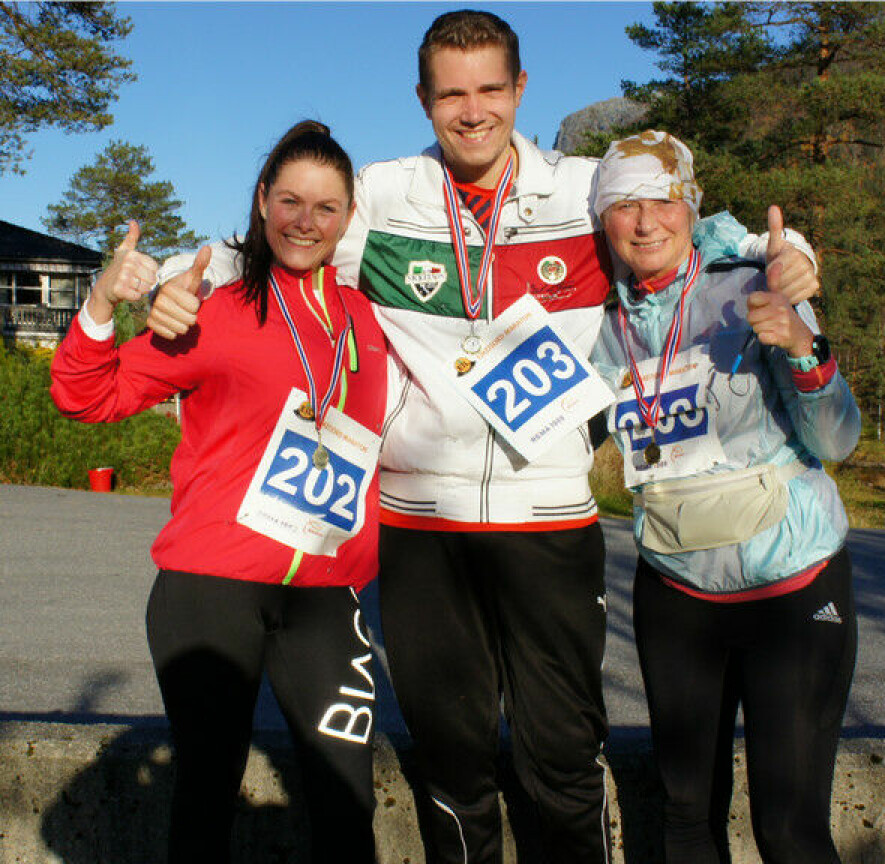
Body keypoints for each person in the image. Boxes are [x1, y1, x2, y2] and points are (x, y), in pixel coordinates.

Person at [144, 12, 820, 863]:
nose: (472, 112)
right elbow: (264, 245)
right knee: (453, 768)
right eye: (451, 93)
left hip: (551, 524)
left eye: (490, 90)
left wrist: (784, 249)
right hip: (424, 529)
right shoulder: (384, 195)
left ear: (520, 91)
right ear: (424, 100)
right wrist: (166, 283)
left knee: (564, 763)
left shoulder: (582, 188)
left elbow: (692, 228)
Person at [50, 121, 387, 864]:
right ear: (263, 201)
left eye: (327, 208)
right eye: (290, 201)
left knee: (345, 799)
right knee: (206, 794)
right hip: (209, 589)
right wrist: (105, 301)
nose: (306, 222)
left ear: (349, 216)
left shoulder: (370, 320)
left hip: (327, 595)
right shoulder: (218, 311)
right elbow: (85, 397)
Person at [590, 130, 861, 864]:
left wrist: (805, 353)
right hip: (676, 591)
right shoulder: (594, 322)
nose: (645, 222)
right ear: (600, 218)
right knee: (683, 823)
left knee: (789, 829)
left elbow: (836, 441)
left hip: (793, 585)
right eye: (623, 205)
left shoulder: (755, 280)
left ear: (691, 206)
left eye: (662, 201)